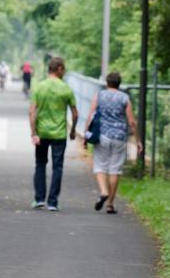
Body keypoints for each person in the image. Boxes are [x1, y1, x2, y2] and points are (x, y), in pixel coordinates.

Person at [84, 72, 142, 214]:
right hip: (120, 137)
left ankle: (104, 191)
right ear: (119, 83)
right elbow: (132, 122)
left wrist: (86, 135)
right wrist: (138, 140)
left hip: (102, 136)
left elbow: (91, 116)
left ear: (107, 83)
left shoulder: (99, 95)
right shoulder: (125, 98)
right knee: (115, 170)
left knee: (100, 166)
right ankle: (110, 204)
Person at [29, 56, 78, 211]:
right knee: (58, 167)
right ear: (59, 69)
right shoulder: (66, 88)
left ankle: (39, 199)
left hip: (42, 133)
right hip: (59, 134)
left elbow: (32, 112)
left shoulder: (39, 87)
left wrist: (33, 133)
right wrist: (72, 130)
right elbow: (75, 113)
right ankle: (53, 202)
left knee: (40, 164)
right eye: (64, 69)